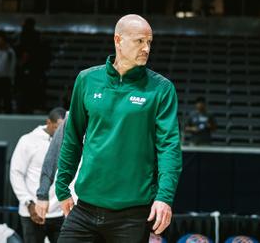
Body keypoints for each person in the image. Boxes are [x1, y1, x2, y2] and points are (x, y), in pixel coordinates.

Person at [55, 14, 183, 242]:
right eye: (140, 41)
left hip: (132, 215)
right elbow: (72, 137)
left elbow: (169, 148)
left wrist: (164, 197)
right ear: (118, 40)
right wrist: (62, 186)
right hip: (85, 208)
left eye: (149, 42)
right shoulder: (86, 80)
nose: (146, 48)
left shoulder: (162, 89)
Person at [10, 107, 67, 243]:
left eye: (64, 128)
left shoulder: (68, 141)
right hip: (33, 211)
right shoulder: (28, 140)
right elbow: (16, 173)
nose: (61, 132)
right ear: (48, 122)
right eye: (57, 127)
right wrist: (28, 203)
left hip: (59, 212)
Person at [0, 33, 16, 113]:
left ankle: (8, 114)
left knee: (6, 99)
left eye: (0, 41)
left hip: (5, 78)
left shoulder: (10, 52)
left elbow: (12, 65)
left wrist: (11, 78)